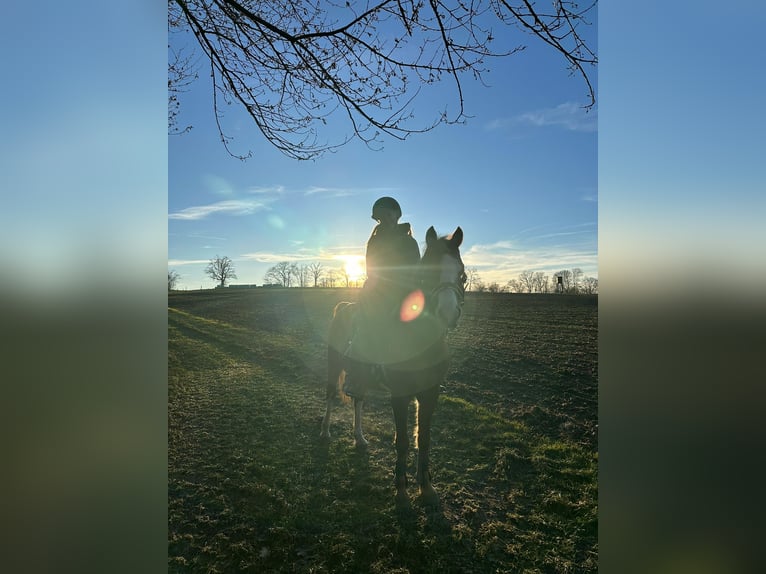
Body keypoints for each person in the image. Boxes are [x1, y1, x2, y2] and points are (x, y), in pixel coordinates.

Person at [343, 197, 421, 397]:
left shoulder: (410, 242)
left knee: (427, 323)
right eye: (380, 218)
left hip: (406, 291)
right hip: (378, 292)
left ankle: (427, 373)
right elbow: (372, 269)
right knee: (366, 325)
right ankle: (355, 375)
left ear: (396, 215)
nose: (384, 219)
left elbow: (417, 269)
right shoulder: (375, 241)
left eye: (387, 215)